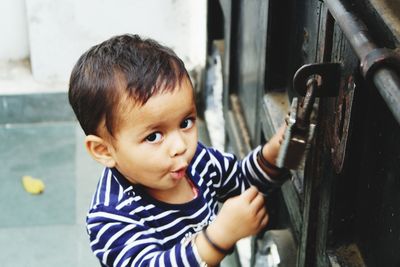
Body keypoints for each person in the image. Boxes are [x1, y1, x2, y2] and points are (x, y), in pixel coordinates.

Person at [68, 34, 290, 267]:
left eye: (185, 123)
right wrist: (218, 238)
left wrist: (274, 154)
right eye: (154, 136)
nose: (180, 146)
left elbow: (242, 181)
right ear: (104, 150)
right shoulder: (112, 218)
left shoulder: (196, 161)